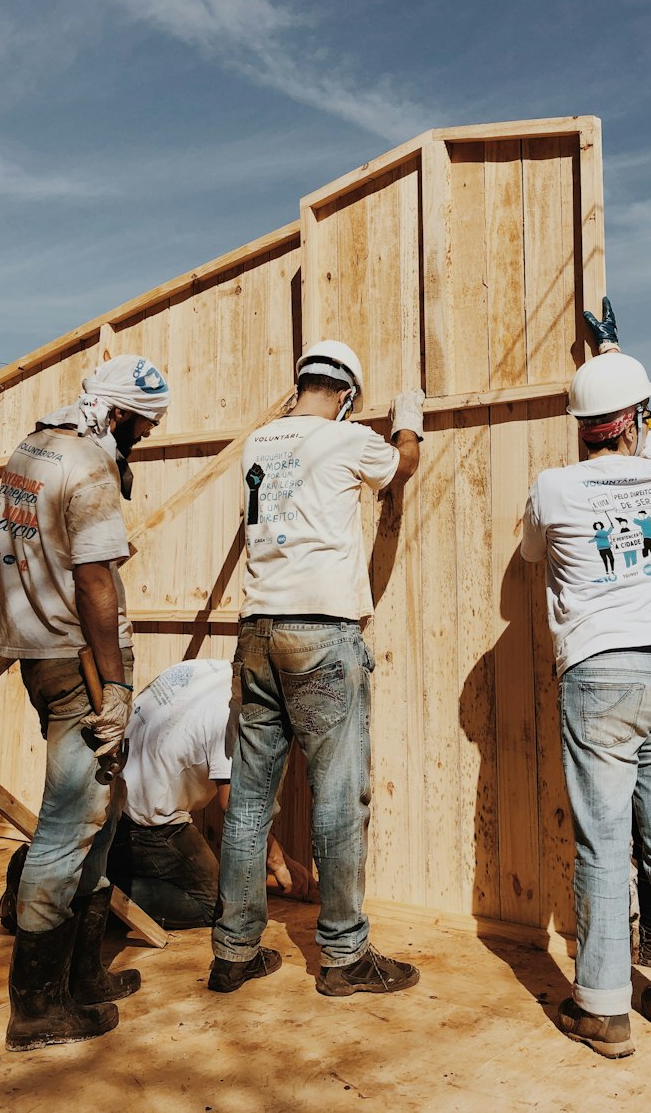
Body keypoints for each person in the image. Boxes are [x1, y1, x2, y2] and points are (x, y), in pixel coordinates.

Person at [522, 299, 651, 1059]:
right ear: (634, 418)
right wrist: (616, 350)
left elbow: (535, 555)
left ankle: (603, 1006)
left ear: (579, 425)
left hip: (602, 672)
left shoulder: (553, 487)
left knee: (604, 841)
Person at [208, 341, 424, 997]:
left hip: (256, 633)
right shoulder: (348, 440)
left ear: (299, 382)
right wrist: (409, 415)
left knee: (249, 800)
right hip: (322, 634)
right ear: (348, 395)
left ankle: (234, 950)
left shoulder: (256, 446)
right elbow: (403, 464)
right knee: (336, 795)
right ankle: (343, 955)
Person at [0, 353, 170, 1051]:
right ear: (119, 413)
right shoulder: (90, 466)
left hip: (38, 653)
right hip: (83, 664)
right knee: (69, 825)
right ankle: (35, 1010)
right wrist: (116, 686)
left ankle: (83, 976)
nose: (146, 439)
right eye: (144, 427)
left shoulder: (31, 448)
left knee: (100, 814)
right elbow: (95, 582)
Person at [0, 658, 315, 932]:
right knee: (211, 905)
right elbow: (237, 807)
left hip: (109, 789)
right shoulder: (241, 718)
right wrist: (279, 861)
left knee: (210, 881)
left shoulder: (211, 670)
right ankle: (66, 894)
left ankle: (57, 872)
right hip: (146, 820)